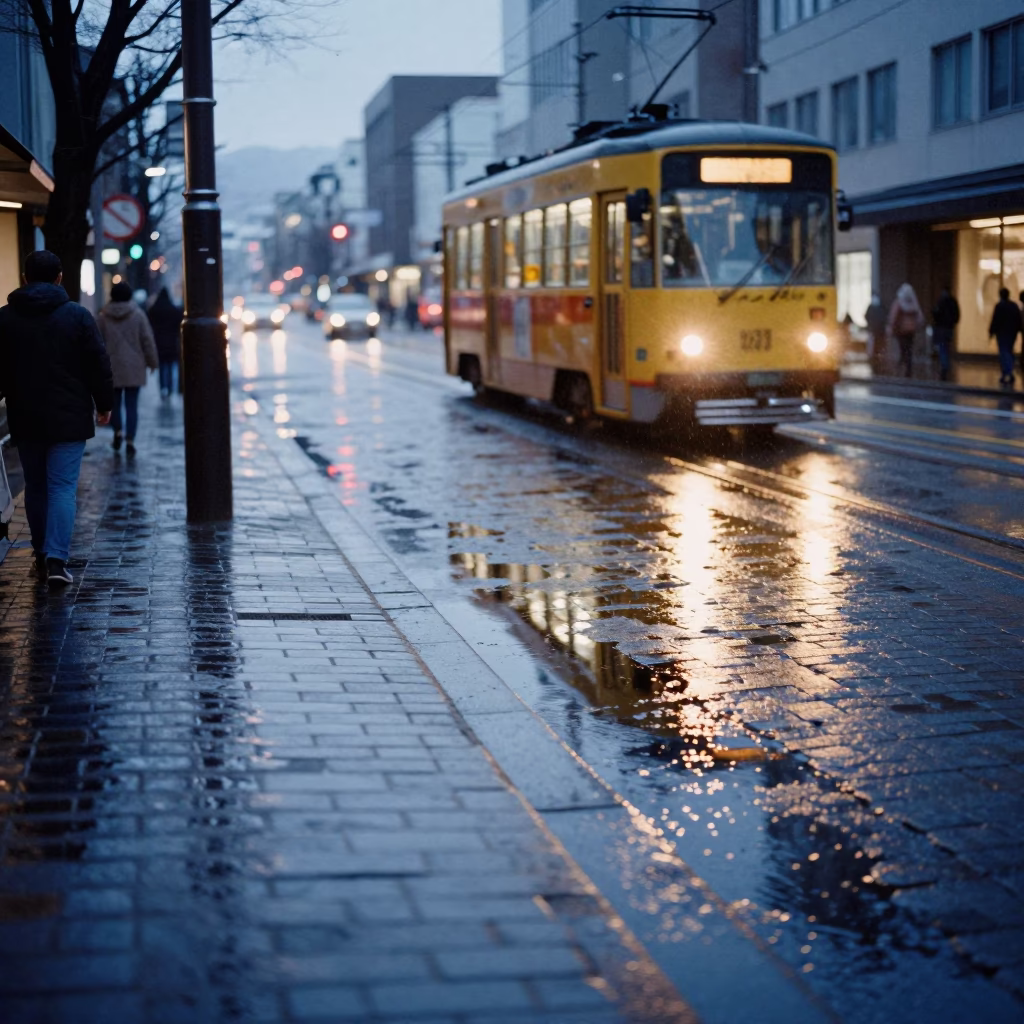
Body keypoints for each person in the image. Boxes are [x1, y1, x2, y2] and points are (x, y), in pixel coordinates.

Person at [0, 250, 113, 585]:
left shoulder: (5, 318)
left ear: (24, 278)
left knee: (35, 486)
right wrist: (103, 404)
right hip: (69, 416)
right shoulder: (76, 316)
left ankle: (38, 550)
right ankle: (56, 560)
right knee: (62, 486)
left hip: (25, 413)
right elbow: (98, 363)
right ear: (60, 277)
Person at [97, 281, 158, 455]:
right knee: (132, 405)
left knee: (114, 404)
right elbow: (147, 340)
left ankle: (118, 431)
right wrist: (152, 362)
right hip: (134, 366)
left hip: (111, 367)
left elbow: (97, 342)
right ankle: (130, 439)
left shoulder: (103, 317)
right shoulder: (138, 315)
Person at [147, 288, 183, 398]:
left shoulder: (154, 310)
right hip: (171, 342)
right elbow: (179, 321)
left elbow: (149, 321)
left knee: (162, 367)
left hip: (159, 342)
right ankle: (170, 387)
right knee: (170, 367)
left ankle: (163, 388)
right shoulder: (173, 309)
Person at [887, 283, 925, 378]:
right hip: (911, 331)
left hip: (901, 330)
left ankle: (900, 368)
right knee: (908, 349)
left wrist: (891, 327)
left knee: (902, 349)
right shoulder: (913, 303)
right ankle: (908, 369)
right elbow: (920, 317)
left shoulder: (899, 302)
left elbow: (893, 316)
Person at [988, 287, 1022, 386]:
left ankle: (1006, 371)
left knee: (1004, 352)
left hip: (1002, 333)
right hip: (1011, 332)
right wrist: (1018, 329)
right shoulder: (1013, 306)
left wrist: (991, 332)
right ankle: (1008, 371)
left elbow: (995, 320)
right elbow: (1018, 319)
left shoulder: (999, 306)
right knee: (1008, 350)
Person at [931, 285, 961, 382]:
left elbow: (936, 313)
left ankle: (945, 366)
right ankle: (945, 365)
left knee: (943, 347)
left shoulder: (941, 301)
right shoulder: (952, 301)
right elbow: (957, 315)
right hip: (949, 327)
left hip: (942, 327)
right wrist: (952, 323)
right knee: (946, 346)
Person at [864, 293, 887, 375]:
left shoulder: (871, 307)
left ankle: (875, 363)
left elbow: (866, 316)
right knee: (878, 348)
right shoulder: (881, 306)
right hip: (880, 331)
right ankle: (877, 363)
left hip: (874, 331)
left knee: (873, 349)